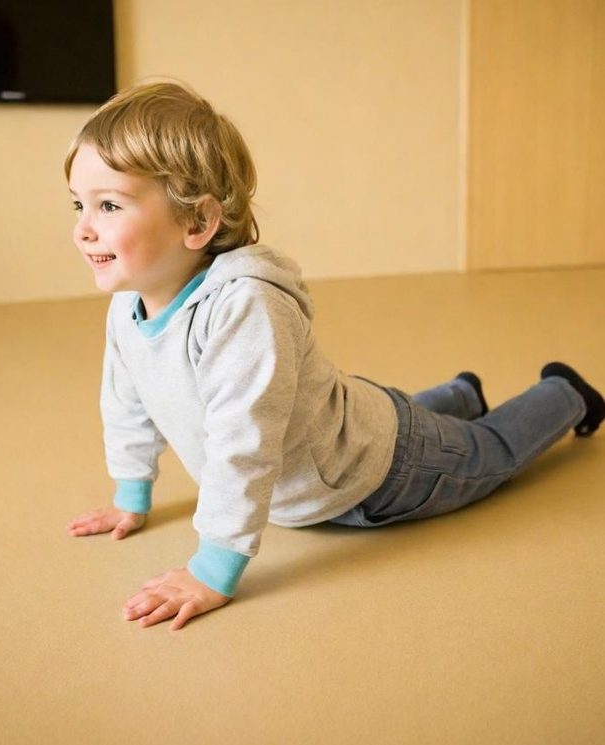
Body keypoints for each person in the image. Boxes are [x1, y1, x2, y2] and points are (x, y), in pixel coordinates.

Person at [66, 79, 604, 631]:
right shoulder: (129, 307)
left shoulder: (245, 309)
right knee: (400, 418)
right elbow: (126, 403)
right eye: (79, 204)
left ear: (197, 222)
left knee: (491, 453)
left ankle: (564, 392)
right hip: (345, 423)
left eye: (109, 206)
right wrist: (132, 495)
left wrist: (212, 570)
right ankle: (461, 395)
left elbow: (242, 444)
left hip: (375, 474)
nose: (83, 229)